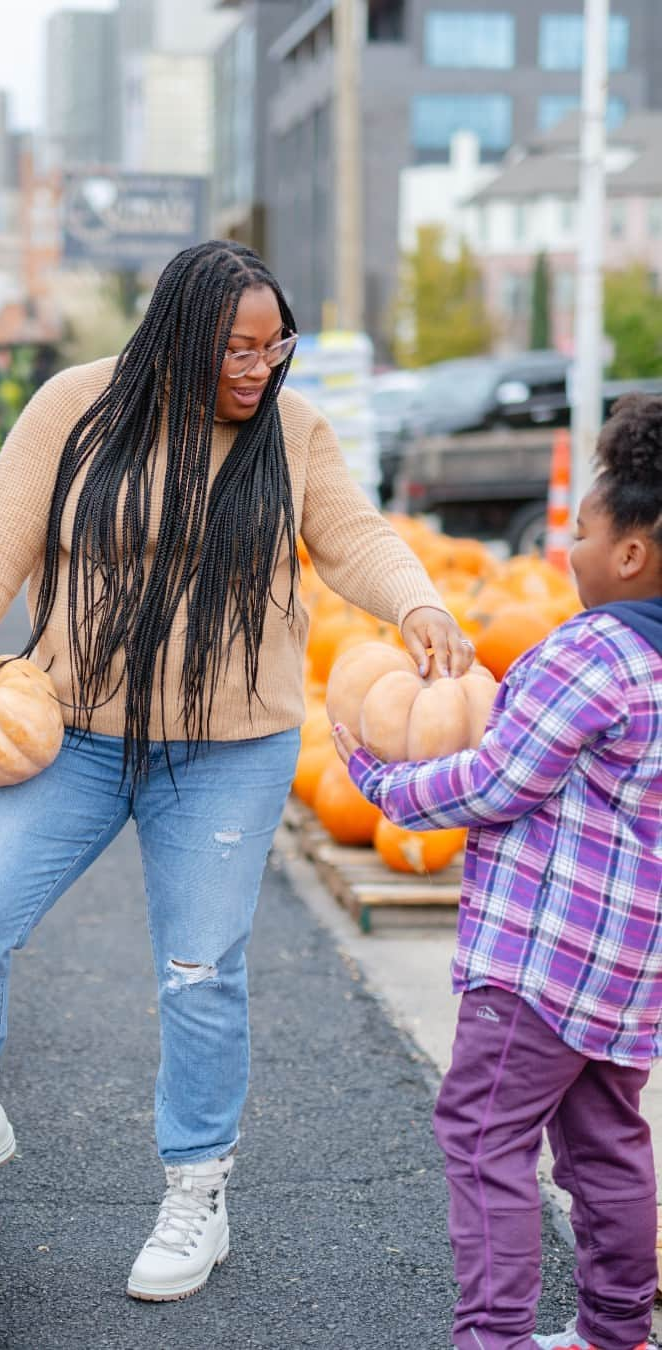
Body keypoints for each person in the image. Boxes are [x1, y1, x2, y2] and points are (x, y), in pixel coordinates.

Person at [0, 240, 472, 1303]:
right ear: (176, 337)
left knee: (201, 973)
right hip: (68, 729)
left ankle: (195, 1192)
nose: (258, 369)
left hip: (228, 750)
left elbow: (352, 537)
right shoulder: (77, 407)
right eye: (237, 349)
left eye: (274, 346)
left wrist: (420, 601)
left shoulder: (292, 433)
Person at [332, 394, 662, 1350]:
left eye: (585, 533)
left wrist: (383, 781)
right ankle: (613, 1333)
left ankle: (495, 1337)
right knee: (606, 1148)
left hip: (542, 963)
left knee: (484, 1139)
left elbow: (497, 782)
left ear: (632, 554)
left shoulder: (590, 653)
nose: (571, 549)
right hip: (628, 969)